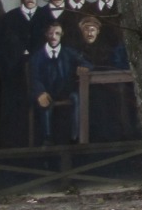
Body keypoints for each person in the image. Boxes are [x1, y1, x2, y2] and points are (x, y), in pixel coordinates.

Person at [0, 0, 41, 147]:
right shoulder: (9, 18)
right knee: (15, 109)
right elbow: (0, 45)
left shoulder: (45, 16)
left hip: (40, 71)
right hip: (15, 71)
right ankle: (13, 144)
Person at [30, 22, 88, 145]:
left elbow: (87, 64)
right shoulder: (38, 56)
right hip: (47, 91)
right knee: (45, 102)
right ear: (46, 34)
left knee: (78, 98)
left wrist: (84, 68)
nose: (53, 37)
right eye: (51, 33)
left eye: (57, 33)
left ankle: (75, 137)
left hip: (66, 91)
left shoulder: (69, 53)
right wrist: (40, 92)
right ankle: (47, 139)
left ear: (62, 35)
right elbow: (34, 78)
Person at [75, 12, 130, 142]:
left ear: (98, 32)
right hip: (83, 88)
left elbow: (108, 67)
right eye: (86, 30)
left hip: (105, 87)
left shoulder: (105, 49)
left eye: (92, 30)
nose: (89, 33)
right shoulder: (76, 50)